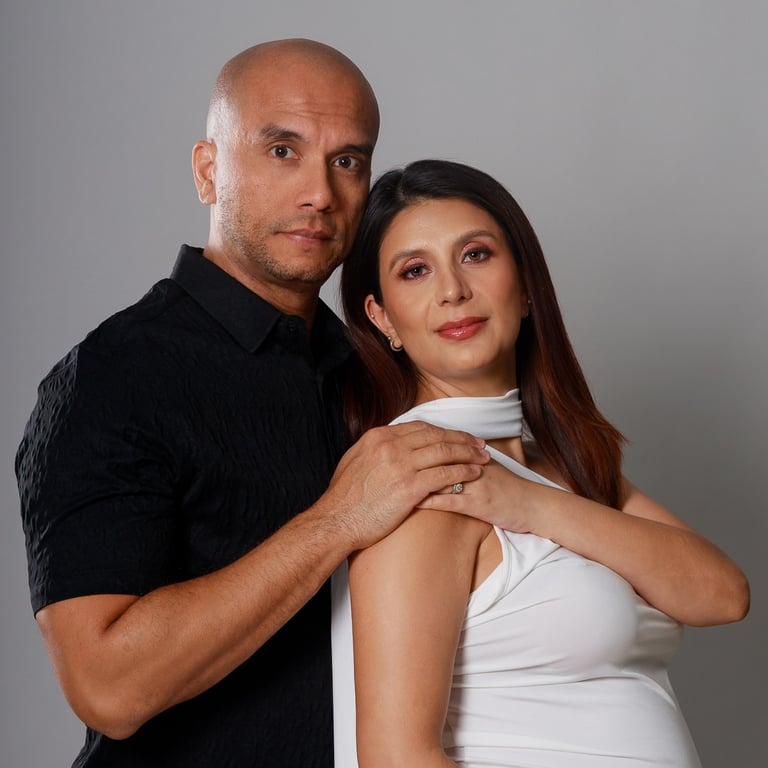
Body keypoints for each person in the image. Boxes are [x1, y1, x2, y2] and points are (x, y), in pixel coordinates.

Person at [14, 43, 495, 768]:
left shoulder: (379, 368)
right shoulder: (114, 374)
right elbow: (107, 686)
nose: (320, 193)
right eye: (282, 150)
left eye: (347, 161)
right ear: (208, 171)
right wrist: (337, 521)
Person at [333, 159, 750, 768]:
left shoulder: (550, 469)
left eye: (475, 254)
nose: (452, 290)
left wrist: (533, 504)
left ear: (526, 286)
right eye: (415, 270)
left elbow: (722, 595)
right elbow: (398, 757)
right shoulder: (425, 480)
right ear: (382, 317)